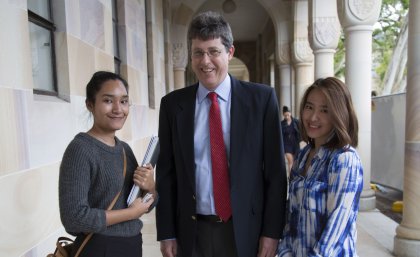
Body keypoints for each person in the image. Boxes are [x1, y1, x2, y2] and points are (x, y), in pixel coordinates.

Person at [156, 11, 287, 257]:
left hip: (246, 231)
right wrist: (166, 233)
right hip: (191, 232)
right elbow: (166, 174)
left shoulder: (261, 100)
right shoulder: (172, 106)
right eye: (198, 52)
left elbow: (276, 174)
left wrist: (271, 233)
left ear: (230, 52)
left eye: (213, 51)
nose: (205, 61)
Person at [59, 71, 157, 257]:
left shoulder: (124, 150)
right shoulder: (80, 150)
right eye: (108, 101)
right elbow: (74, 218)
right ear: (90, 104)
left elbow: (145, 205)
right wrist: (130, 214)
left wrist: (150, 188)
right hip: (100, 248)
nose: (118, 109)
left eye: (124, 101)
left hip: (132, 245)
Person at [277, 77, 363, 257]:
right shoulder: (303, 155)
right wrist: (285, 251)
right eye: (309, 107)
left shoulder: (344, 159)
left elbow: (336, 228)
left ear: (339, 114)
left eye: (325, 110)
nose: (313, 117)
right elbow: (290, 215)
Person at [281, 106, 301, 176]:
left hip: (295, 143)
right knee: (290, 161)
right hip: (286, 144)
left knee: (296, 161)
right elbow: (280, 135)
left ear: (290, 113)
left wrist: (301, 139)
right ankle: (291, 177)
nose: (287, 117)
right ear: (283, 115)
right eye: (285, 115)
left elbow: (301, 130)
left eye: (288, 115)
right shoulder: (282, 124)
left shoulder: (296, 122)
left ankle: (295, 175)